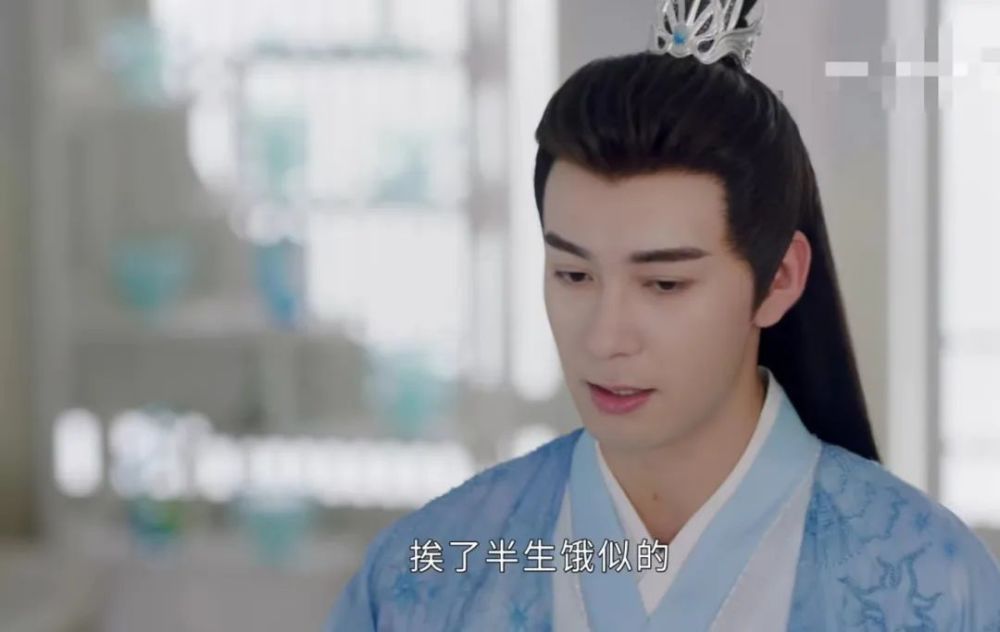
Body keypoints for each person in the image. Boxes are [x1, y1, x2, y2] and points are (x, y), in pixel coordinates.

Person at [327, 0, 1000, 629]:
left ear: (779, 279)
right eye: (573, 275)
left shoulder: (929, 584)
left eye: (665, 284)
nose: (605, 338)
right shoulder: (427, 574)